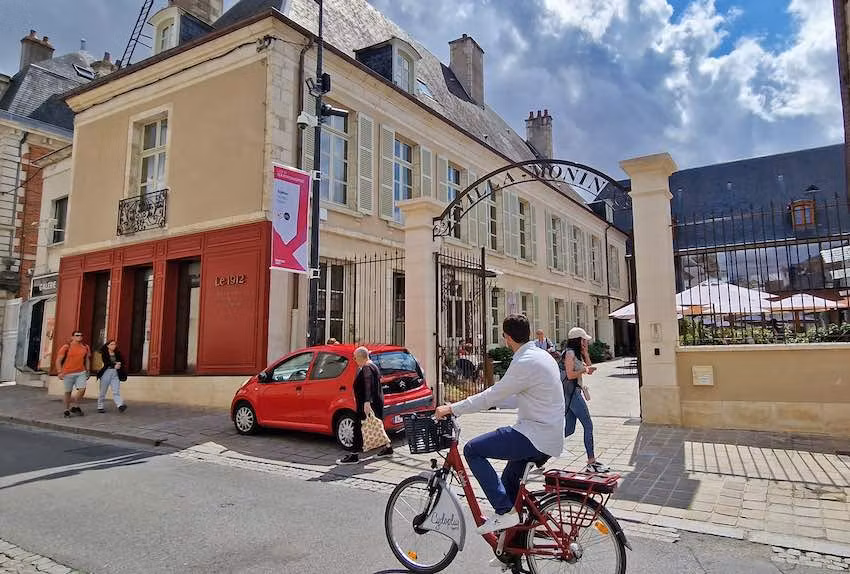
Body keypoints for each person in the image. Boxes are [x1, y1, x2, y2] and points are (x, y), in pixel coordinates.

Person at [435, 314, 565, 535]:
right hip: (549, 433)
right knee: (507, 481)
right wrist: (490, 405)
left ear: (507, 337)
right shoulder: (542, 356)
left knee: (473, 450)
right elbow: (516, 397)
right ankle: (513, 545)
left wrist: (452, 408)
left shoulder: (524, 362)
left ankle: (504, 513)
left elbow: (492, 395)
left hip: (534, 435)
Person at [562, 327, 608, 473]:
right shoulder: (569, 354)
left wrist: (585, 353)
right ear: (578, 340)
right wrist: (584, 370)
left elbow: (588, 366)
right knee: (588, 426)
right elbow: (570, 375)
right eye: (583, 340)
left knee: (569, 430)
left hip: (574, 393)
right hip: (573, 394)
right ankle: (591, 461)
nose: (585, 342)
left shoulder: (576, 353)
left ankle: (539, 453)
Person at [337, 346, 393, 464]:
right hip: (377, 401)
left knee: (358, 427)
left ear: (361, 357)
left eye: (355, 357)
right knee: (378, 425)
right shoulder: (373, 366)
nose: (354, 359)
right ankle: (388, 448)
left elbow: (368, 385)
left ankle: (354, 455)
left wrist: (367, 402)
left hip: (367, 403)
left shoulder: (366, 368)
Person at [55, 330, 91, 418]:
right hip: (67, 372)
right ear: (72, 337)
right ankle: (67, 409)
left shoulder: (85, 347)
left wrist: (88, 370)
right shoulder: (66, 347)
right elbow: (58, 360)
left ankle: (75, 404)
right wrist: (59, 372)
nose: (79, 336)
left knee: (82, 389)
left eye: (81, 335)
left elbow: (87, 359)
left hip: (81, 372)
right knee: (68, 392)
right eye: (77, 335)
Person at [96, 340, 128, 414]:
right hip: (106, 372)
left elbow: (123, 361)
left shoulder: (117, 353)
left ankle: (120, 405)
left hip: (115, 373)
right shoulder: (104, 353)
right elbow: (106, 362)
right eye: (112, 344)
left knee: (116, 390)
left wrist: (120, 363)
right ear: (108, 345)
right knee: (103, 391)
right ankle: (100, 406)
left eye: (114, 344)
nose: (114, 346)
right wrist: (114, 365)